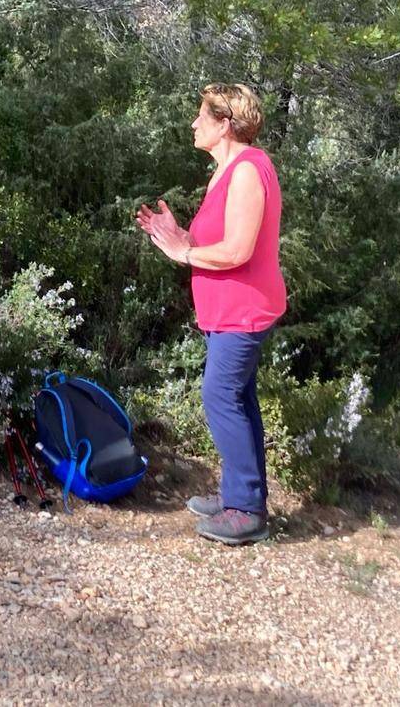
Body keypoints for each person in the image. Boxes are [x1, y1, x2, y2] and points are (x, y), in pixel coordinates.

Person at [137, 83, 286, 545]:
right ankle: (241, 498)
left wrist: (184, 253)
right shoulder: (224, 171)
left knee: (220, 397)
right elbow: (216, 242)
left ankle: (245, 511)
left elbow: (239, 250)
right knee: (238, 400)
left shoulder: (246, 170)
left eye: (202, 116)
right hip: (227, 310)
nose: (194, 123)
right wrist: (179, 236)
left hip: (244, 310)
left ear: (225, 124)